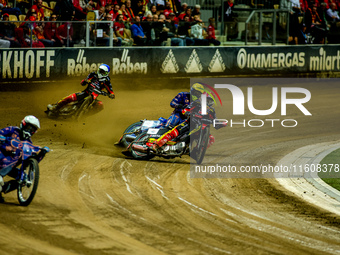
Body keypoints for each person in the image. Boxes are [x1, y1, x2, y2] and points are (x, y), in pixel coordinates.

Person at [152, 83, 221, 152]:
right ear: (192, 91)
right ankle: (157, 140)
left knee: (200, 135)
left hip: (192, 120)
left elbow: (213, 118)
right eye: (196, 92)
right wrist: (179, 106)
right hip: (178, 114)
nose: (197, 95)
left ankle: (194, 150)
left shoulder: (201, 103)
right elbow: (172, 103)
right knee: (171, 125)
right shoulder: (183, 95)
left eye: (199, 94)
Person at [0, 115, 41, 202]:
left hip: (10, 166)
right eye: (29, 127)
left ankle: (3, 189)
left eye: (32, 130)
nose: (30, 131)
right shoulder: (12, 130)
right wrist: (5, 144)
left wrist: (42, 153)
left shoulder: (29, 143)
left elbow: (32, 162)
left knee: (23, 179)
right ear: (24, 124)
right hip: (1, 158)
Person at [47, 64, 115, 114]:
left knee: (100, 105)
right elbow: (83, 82)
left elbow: (110, 91)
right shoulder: (93, 74)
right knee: (70, 97)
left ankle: (85, 115)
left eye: (103, 72)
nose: (101, 73)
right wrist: (85, 81)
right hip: (85, 93)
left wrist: (111, 95)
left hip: (94, 97)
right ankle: (55, 107)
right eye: (100, 71)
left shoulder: (107, 81)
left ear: (106, 73)